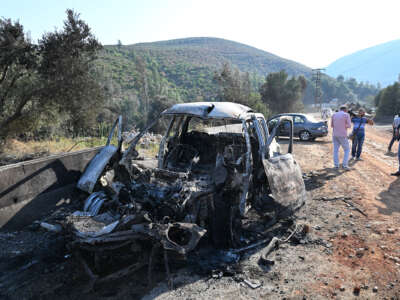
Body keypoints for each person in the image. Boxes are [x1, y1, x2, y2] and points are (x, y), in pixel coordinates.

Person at [331, 105, 352, 169]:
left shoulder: (334, 115)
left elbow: (332, 125)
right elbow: (349, 125)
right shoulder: (346, 115)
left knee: (335, 150)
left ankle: (336, 165)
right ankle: (345, 165)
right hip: (342, 135)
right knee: (347, 149)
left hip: (335, 134)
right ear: (345, 110)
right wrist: (343, 126)